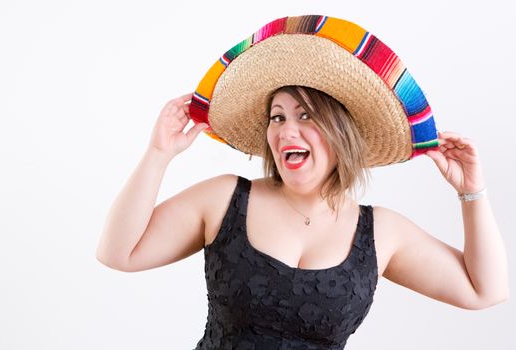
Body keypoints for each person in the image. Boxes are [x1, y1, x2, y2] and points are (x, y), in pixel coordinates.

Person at [96, 15, 509, 349]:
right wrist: (158, 155)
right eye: (278, 117)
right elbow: (119, 253)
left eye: (306, 115)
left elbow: (484, 291)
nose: (285, 131)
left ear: (340, 131)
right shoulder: (225, 198)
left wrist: (470, 191)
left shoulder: (381, 232)